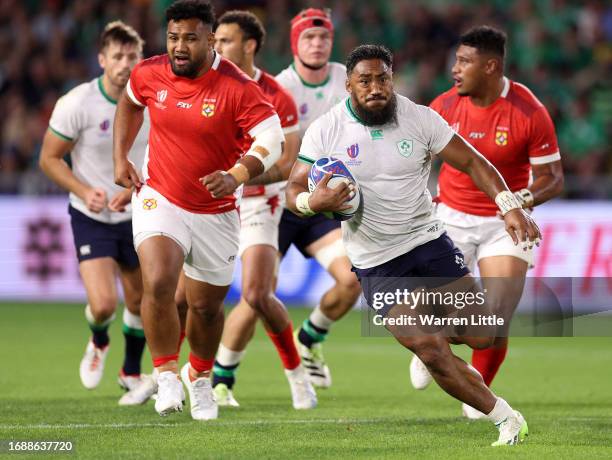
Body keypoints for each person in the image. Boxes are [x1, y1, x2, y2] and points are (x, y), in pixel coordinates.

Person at [286, 44, 541, 446]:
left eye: (382, 78)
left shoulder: (419, 118)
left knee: (483, 336)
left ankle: (430, 333)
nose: (375, 88)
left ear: (392, 78)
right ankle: (506, 418)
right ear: (349, 84)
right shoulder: (327, 128)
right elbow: (294, 188)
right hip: (376, 261)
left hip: (428, 242)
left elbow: (474, 161)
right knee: (431, 349)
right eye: (365, 80)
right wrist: (309, 202)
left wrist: (508, 205)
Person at [112, 0, 285, 420]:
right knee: (157, 280)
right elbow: (130, 103)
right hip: (160, 196)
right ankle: (166, 372)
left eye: (190, 38)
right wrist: (120, 158)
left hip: (217, 209)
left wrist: (238, 174)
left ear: (210, 40)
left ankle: (201, 377)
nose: (180, 46)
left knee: (206, 307)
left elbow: (271, 138)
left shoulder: (238, 87)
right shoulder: (149, 73)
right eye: (173, 37)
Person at [410, 26, 564, 419]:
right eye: (455, 61)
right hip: (449, 218)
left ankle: (478, 394)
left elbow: (553, 177)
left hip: (504, 222)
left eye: (464, 62)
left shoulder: (529, 111)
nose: (454, 70)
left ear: (491, 66)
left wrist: (519, 201)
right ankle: (435, 343)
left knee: (495, 316)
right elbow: (412, 166)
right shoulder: (442, 107)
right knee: (435, 311)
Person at [210, 7, 361, 395]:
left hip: (321, 203)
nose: (317, 44)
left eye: (323, 37)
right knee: (256, 296)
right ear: (295, 43)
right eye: (308, 38)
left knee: (352, 280)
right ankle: (222, 377)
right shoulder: (278, 88)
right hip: (277, 202)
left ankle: (310, 337)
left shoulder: (350, 80)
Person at [174, 9, 316, 410]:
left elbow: (289, 164)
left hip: (258, 204)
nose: (215, 47)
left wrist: (237, 178)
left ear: (249, 45)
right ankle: (169, 375)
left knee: (256, 293)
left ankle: (296, 373)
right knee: (182, 297)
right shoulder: (201, 84)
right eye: (214, 41)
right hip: (206, 203)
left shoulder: (277, 96)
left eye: (225, 41)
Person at [39, 21, 153, 406]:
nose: (125, 63)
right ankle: (100, 339)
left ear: (141, 59)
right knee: (104, 304)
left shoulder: (154, 100)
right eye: (117, 56)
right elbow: (49, 158)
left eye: (132, 56)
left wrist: (141, 189)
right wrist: (84, 190)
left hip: (140, 212)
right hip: (93, 215)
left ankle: (130, 371)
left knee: (140, 303)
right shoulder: (78, 102)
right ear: (102, 59)